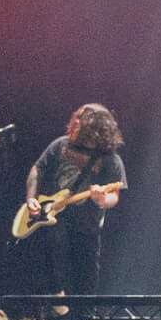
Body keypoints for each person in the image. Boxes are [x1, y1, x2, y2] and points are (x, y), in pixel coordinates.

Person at [21, 103, 129, 295]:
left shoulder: (110, 159)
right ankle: (56, 294)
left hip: (87, 223)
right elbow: (38, 169)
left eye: (80, 118)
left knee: (87, 268)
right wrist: (31, 198)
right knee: (52, 243)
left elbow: (115, 195)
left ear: (93, 128)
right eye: (75, 117)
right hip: (54, 214)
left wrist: (102, 200)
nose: (73, 120)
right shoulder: (60, 145)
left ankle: (85, 319)